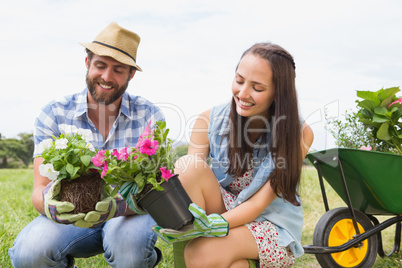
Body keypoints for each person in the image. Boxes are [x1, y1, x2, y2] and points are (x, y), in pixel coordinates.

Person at [9, 22, 164, 268]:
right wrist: (53, 209)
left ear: (131, 74)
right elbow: (39, 188)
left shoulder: (148, 115)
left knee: (129, 251)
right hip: (72, 217)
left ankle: (145, 257)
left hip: (128, 215)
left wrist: (116, 208)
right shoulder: (54, 113)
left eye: (118, 70)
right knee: (29, 254)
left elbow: (158, 189)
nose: (106, 77)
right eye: (100, 66)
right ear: (87, 63)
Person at [154, 42, 314, 267]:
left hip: (269, 224)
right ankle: (236, 261)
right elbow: (185, 187)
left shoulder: (299, 134)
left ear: (278, 93)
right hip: (227, 210)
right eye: (239, 80)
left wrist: (211, 226)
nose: (243, 93)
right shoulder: (208, 120)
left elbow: (258, 204)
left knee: (200, 254)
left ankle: (226, 254)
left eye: (257, 88)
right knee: (188, 167)